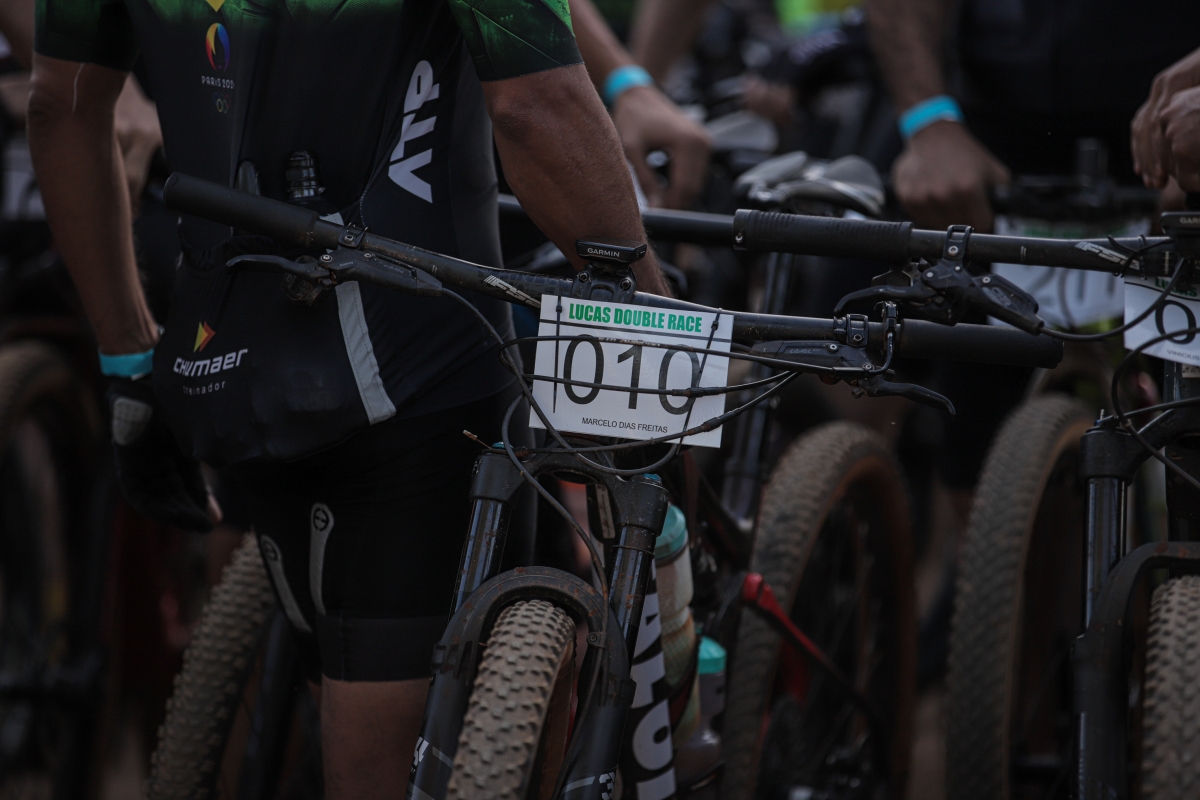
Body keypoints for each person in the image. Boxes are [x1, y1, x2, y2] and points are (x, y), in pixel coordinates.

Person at [27, 0, 672, 797]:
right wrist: (656, 328)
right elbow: (535, 106)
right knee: (408, 749)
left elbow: (60, 105)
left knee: (319, 686)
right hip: (419, 373)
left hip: (223, 355)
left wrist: (127, 357)